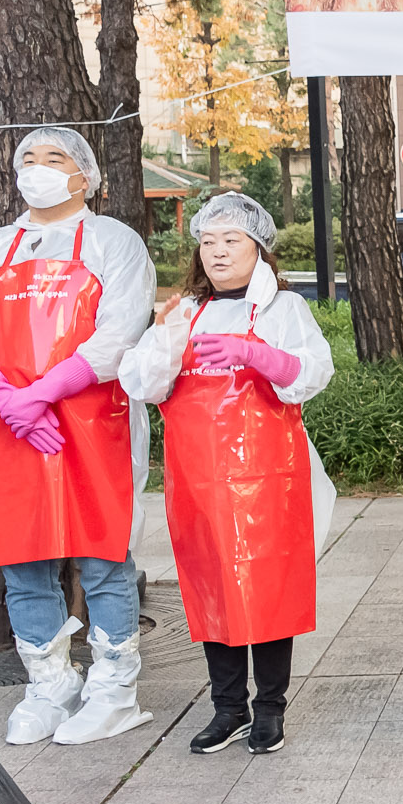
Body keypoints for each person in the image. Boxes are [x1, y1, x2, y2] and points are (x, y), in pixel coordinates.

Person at [0, 127, 156, 747]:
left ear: (84, 176)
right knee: (21, 557)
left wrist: (39, 393)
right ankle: (49, 681)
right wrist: (8, 398)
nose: (37, 168)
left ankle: (115, 686)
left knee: (102, 554)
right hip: (7, 424)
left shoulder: (114, 243)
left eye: (54, 158)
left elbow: (118, 332)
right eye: (27, 159)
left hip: (90, 420)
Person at [118, 192, 335, 757]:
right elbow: (142, 385)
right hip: (199, 480)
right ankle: (228, 708)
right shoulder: (187, 311)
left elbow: (313, 371)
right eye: (208, 241)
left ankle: (270, 710)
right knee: (210, 585)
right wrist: (164, 336)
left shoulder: (283, 310)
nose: (217, 252)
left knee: (267, 591)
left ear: (257, 247)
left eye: (230, 240)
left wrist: (256, 353)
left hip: (267, 480)